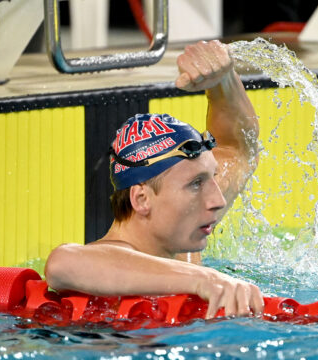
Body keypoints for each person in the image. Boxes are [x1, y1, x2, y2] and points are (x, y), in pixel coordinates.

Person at [45, 40, 263, 319]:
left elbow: (238, 148)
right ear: (142, 199)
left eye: (213, 177)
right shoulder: (105, 260)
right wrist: (201, 278)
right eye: (196, 184)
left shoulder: (180, 231)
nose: (218, 200)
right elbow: (63, 263)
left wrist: (223, 82)